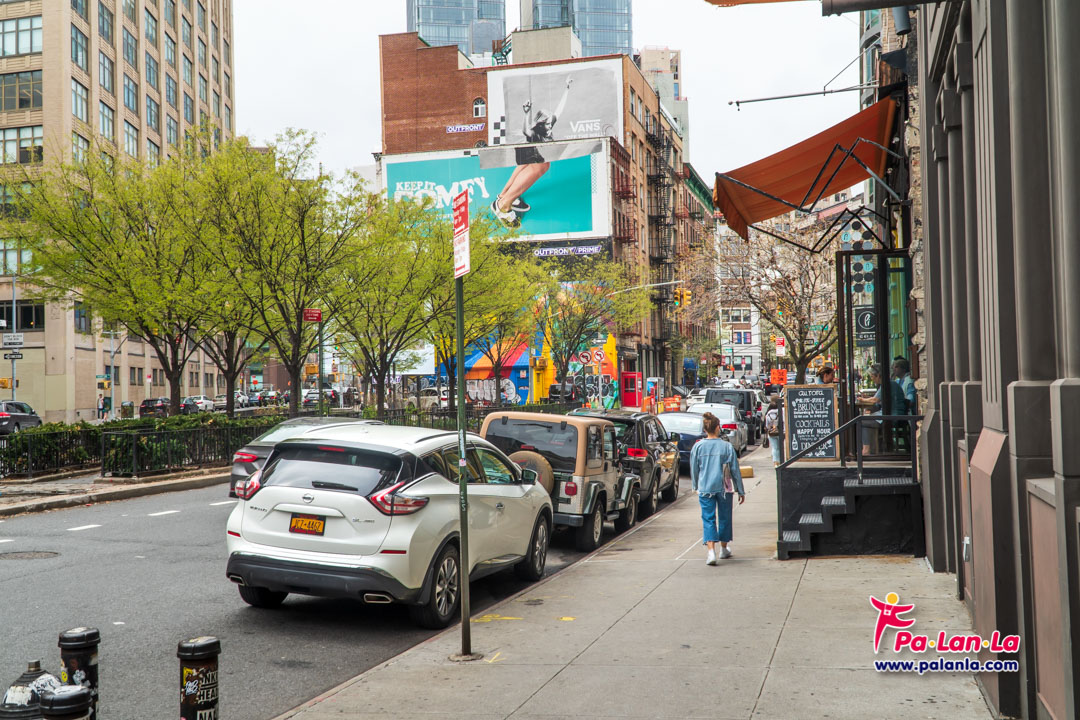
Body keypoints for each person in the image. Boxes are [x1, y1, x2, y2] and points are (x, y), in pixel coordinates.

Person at [491, 77, 574, 227]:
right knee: (542, 166)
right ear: (541, 124)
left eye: (550, 123)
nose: (550, 126)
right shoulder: (536, 131)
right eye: (547, 124)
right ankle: (503, 205)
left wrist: (566, 89)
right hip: (531, 152)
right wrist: (526, 113)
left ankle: (504, 196)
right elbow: (526, 131)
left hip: (528, 152)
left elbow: (559, 110)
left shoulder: (548, 125)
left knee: (530, 165)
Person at [690, 412, 746, 565]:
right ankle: (723, 548)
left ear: (705, 429)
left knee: (708, 519)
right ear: (717, 428)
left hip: (705, 487)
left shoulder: (698, 447)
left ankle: (711, 552)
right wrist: (740, 490)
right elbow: (735, 471)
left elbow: (694, 469)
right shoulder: (727, 447)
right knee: (725, 518)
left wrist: (695, 486)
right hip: (725, 488)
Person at [857, 364, 906, 454]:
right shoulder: (891, 384)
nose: (872, 379)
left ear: (879, 375)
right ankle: (873, 448)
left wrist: (862, 399)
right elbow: (877, 398)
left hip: (891, 416)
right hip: (893, 414)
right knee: (866, 420)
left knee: (861, 421)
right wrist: (867, 398)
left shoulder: (887, 384)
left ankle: (867, 449)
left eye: (872, 376)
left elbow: (875, 400)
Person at [764, 396, 783, 466]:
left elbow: (767, 426)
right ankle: (780, 461)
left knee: (775, 448)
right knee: (780, 447)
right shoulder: (781, 411)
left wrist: (769, 428)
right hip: (780, 432)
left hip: (772, 433)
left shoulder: (768, 414)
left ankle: (775, 462)